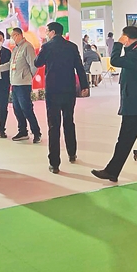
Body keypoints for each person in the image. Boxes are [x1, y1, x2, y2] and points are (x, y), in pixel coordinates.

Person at [92, 26, 137, 183]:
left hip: (136, 106)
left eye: (123, 37)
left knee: (125, 140)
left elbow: (114, 60)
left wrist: (118, 44)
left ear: (126, 37)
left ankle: (112, 171)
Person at [34, 22, 89, 174]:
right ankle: (72, 153)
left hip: (53, 90)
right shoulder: (72, 47)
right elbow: (79, 67)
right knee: (69, 121)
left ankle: (54, 163)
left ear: (52, 32)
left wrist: (42, 48)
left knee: (54, 125)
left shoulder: (47, 47)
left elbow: (38, 63)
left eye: (47, 31)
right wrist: (84, 85)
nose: (46, 34)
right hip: (69, 89)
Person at [6, 28, 42, 143]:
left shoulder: (27, 47)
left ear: (19, 35)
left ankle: (36, 132)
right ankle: (22, 131)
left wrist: (28, 77)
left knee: (26, 108)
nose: (12, 38)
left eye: (14, 36)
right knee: (17, 109)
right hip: (15, 83)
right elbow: (11, 64)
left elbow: (34, 65)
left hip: (23, 84)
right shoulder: (15, 48)